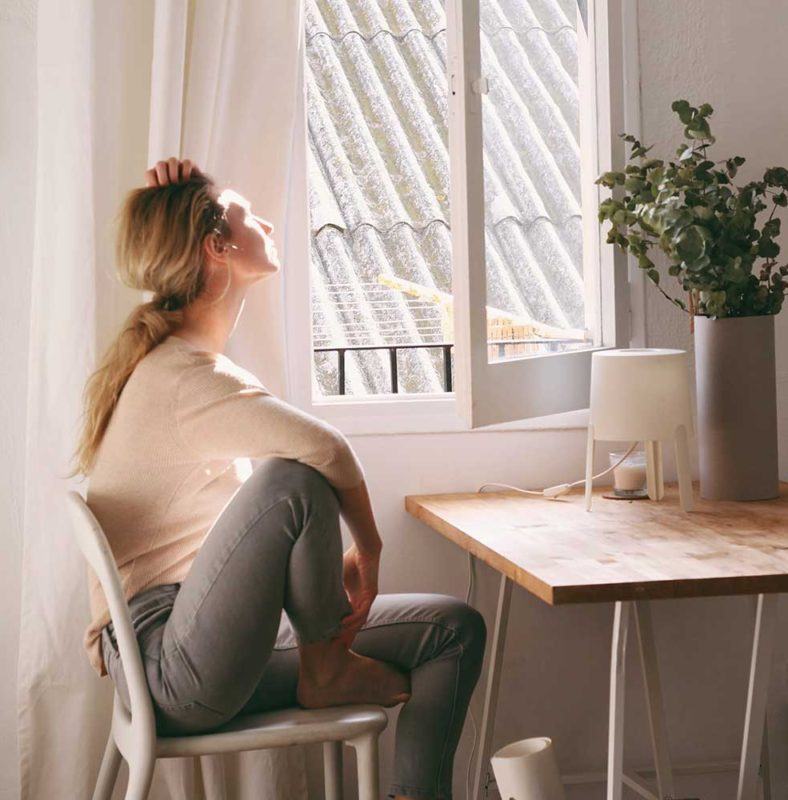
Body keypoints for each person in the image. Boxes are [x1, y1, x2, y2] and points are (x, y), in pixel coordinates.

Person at [68, 156, 487, 800]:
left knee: (453, 631)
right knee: (294, 476)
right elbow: (329, 448)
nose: (264, 219)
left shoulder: (179, 365)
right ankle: (325, 663)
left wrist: (318, 580)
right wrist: (368, 549)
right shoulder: (184, 377)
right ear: (218, 247)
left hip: (192, 642)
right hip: (175, 667)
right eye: (245, 212)